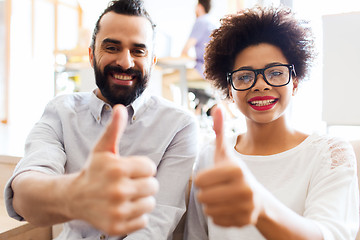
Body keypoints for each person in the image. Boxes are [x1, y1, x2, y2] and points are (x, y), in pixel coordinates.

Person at [4, 0, 198, 239]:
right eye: (112, 48)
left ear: (153, 61)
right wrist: (75, 194)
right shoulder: (61, 112)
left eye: (138, 51)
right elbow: (23, 197)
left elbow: (156, 224)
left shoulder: (179, 125)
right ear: (91, 55)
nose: (125, 62)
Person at [185, 6, 359, 240]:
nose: (260, 85)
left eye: (275, 73)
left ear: (294, 82)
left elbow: (331, 235)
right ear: (229, 89)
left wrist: (260, 207)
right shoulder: (212, 155)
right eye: (244, 76)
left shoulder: (330, 153)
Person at [161, 0, 216, 103]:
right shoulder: (211, 22)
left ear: (199, 7)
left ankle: (174, 116)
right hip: (213, 71)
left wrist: (185, 55)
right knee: (178, 74)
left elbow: (185, 49)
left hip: (203, 70)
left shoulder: (201, 21)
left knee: (165, 79)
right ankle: (188, 113)